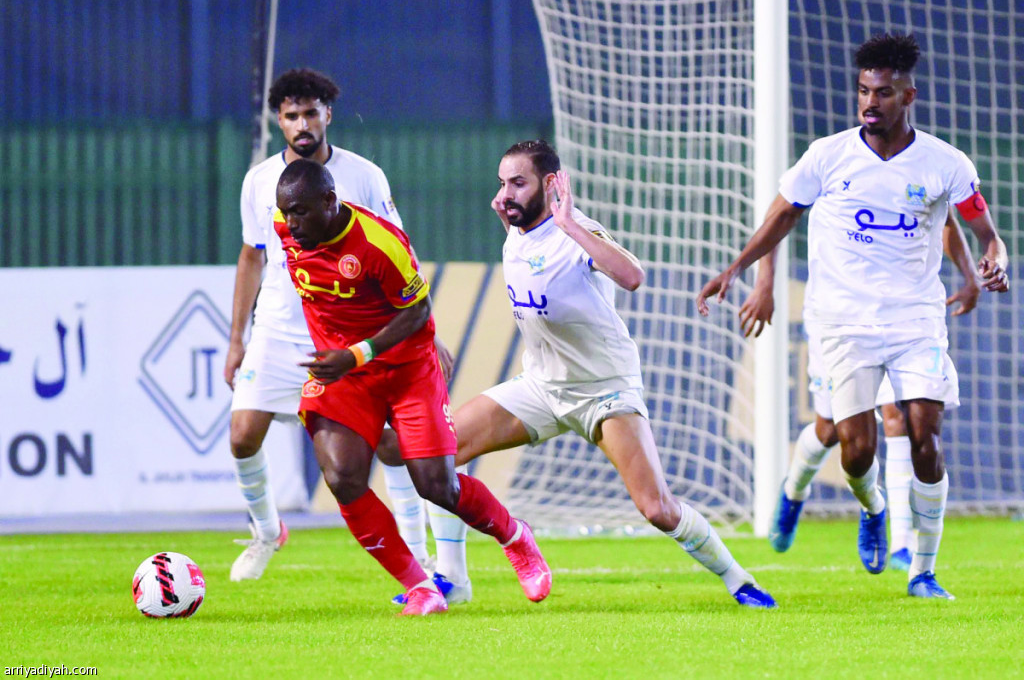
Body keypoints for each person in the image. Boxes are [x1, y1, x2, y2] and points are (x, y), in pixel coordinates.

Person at [697, 33, 1009, 599]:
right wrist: (740, 270)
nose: (870, 102)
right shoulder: (827, 156)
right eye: (863, 91)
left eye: (883, 93)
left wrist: (989, 266)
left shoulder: (945, 163)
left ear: (908, 95)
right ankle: (869, 508)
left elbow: (977, 230)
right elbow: (781, 217)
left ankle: (923, 571)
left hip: (915, 319)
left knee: (924, 435)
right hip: (841, 321)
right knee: (853, 447)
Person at [412, 140, 776, 609]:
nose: (505, 195)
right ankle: (452, 577)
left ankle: (739, 579)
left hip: (604, 392)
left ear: (550, 184)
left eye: (518, 183)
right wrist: (512, 214)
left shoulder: (577, 231)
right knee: (438, 452)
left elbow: (633, 276)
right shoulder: (516, 230)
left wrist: (569, 224)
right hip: (541, 387)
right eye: (502, 183)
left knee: (657, 509)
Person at [273, 158, 551, 615]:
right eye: (286, 213)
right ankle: (420, 587)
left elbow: (418, 311)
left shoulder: (379, 243)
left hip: (406, 369)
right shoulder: (286, 227)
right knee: (342, 476)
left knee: (437, 486)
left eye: (300, 212)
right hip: (345, 374)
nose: (292, 223)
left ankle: (515, 536)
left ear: (330, 201)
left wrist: (357, 352)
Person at [223, 68, 446, 582]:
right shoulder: (259, 181)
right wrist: (237, 339)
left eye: (311, 112)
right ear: (278, 121)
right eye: (291, 115)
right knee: (242, 436)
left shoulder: (363, 176)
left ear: (328, 114)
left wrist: (426, 334)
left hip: (351, 334)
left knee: (389, 445)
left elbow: (400, 256)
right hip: (279, 330)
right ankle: (267, 532)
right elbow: (252, 256)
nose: (302, 123)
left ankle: (419, 554)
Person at [739, 207, 980, 570]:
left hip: (900, 318)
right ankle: (794, 490)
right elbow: (780, 216)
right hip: (837, 318)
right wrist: (764, 283)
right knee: (830, 430)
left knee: (898, 416)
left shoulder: (917, 174)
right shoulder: (829, 173)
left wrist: (972, 271)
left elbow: (945, 219)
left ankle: (901, 543)